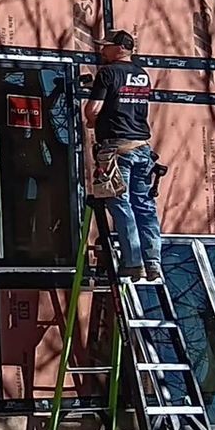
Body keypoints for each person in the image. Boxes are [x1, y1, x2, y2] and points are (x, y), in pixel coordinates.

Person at [82, 28, 162, 282]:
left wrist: (92, 120)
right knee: (144, 204)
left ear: (119, 49)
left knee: (119, 202)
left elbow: (92, 109)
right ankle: (153, 261)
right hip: (142, 149)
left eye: (105, 46)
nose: (101, 50)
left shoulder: (107, 73)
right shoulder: (142, 75)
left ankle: (133, 261)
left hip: (117, 149)